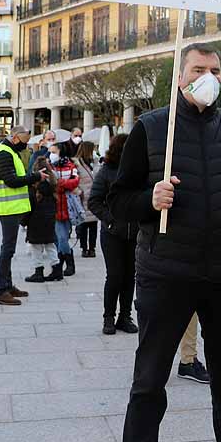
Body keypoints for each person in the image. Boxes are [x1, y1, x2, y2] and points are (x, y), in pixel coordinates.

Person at [108, 42, 221, 442]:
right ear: (180, 75)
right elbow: (115, 201)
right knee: (149, 382)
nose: (209, 77)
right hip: (166, 275)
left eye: (216, 70)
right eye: (200, 68)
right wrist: (149, 199)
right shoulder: (151, 127)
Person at [89, 132, 139, 336]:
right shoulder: (107, 171)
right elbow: (94, 201)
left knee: (130, 276)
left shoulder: (139, 171)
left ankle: (125, 316)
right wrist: (111, 219)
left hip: (135, 233)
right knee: (115, 275)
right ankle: (108, 316)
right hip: (113, 233)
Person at [0, 126, 41, 306]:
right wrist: (35, 177)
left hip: (11, 207)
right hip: (6, 207)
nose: (25, 147)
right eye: (24, 143)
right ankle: (0, 290)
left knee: (8, 248)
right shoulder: (3, 153)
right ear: (16, 138)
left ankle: (7, 286)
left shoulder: (10, 151)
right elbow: (11, 180)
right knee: (7, 249)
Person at [24, 156, 65, 283]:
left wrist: (23, 221)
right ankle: (57, 269)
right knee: (50, 245)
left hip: (36, 221)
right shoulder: (52, 185)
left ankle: (38, 272)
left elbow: (29, 207)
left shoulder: (34, 188)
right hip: (49, 220)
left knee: (36, 247)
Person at [49, 143, 80, 276]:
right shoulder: (49, 166)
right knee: (60, 238)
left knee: (63, 238)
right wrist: (63, 185)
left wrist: (59, 183)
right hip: (54, 207)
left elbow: (74, 182)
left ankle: (64, 263)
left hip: (67, 208)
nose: (51, 154)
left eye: (54, 151)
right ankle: (66, 263)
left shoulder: (70, 166)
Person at [73, 141, 99, 258]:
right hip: (82, 198)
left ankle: (92, 248)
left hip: (93, 198)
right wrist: (79, 192)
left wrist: (97, 162)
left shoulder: (94, 162)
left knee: (93, 225)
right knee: (83, 225)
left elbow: (98, 176)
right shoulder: (76, 164)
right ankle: (84, 248)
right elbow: (73, 181)